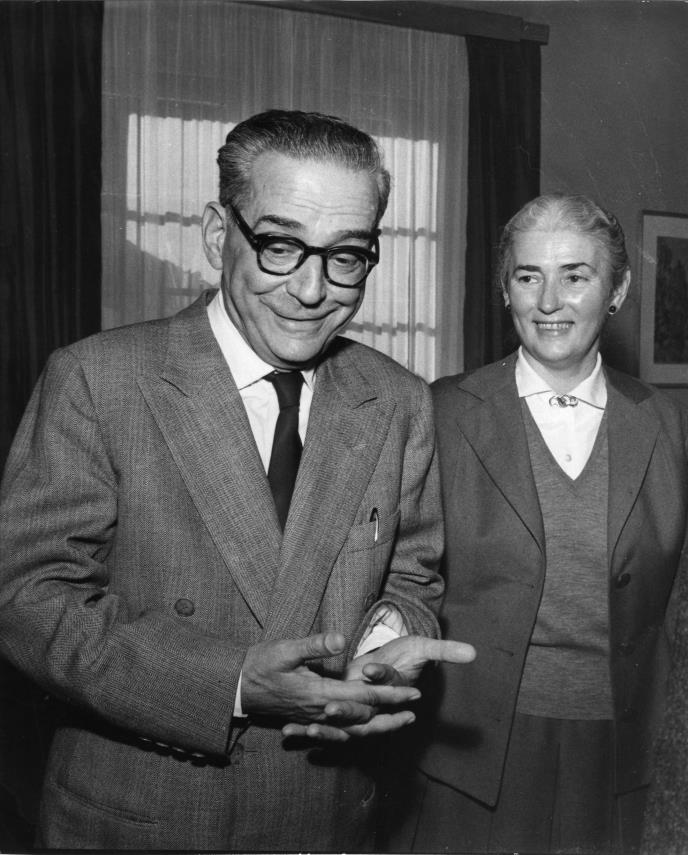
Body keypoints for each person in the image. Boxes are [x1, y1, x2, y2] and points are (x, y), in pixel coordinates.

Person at [0, 109, 474, 851]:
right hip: (141, 820)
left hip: (326, 818)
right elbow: (28, 598)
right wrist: (233, 684)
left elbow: (412, 577)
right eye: (281, 246)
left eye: (346, 256)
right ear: (219, 234)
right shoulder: (98, 379)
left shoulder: (398, 400)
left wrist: (384, 644)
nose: (312, 289)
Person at [407, 194, 688, 854]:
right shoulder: (444, 412)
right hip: (473, 750)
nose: (549, 301)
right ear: (505, 289)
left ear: (617, 290)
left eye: (575, 276)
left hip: (622, 747)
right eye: (528, 276)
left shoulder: (663, 421)